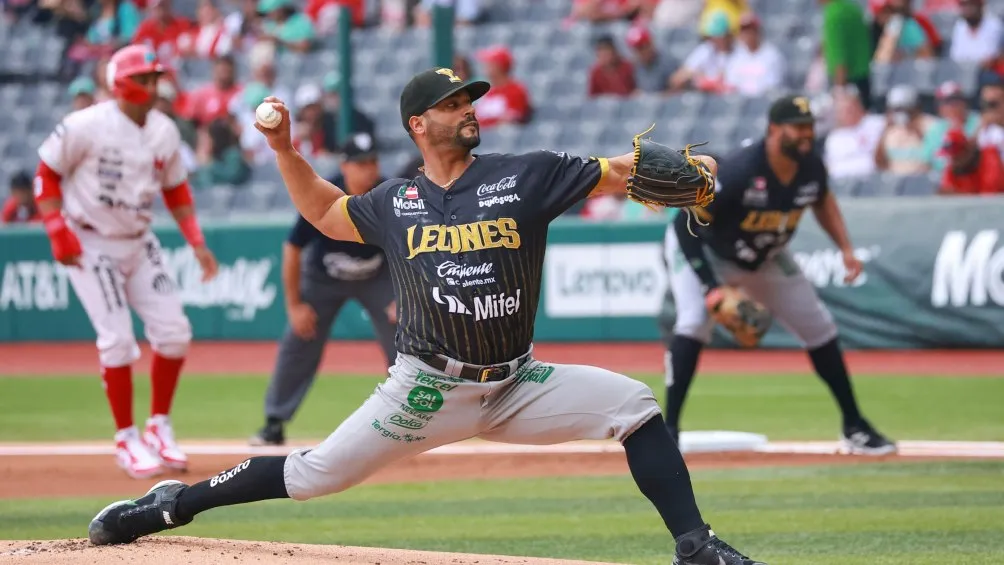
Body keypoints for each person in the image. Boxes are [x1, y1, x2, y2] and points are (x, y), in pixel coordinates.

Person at [86, 66, 766, 565]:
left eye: (470, 97)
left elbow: (618, 171)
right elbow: (324, 211)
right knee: (311, 473)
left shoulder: (525, 173)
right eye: (451, 102)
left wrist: (696, 166)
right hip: (424, 387)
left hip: (515, 382)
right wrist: (284, 149)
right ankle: (172, 502)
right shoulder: (395, 201)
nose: (467, 107)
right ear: (419, 124)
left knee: (634, 404)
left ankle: (695, 546)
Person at [660, 95, 896, 456]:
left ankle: (854, 425)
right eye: (797, 127)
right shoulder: (740, 172)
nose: (806, 134)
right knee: (693, 322)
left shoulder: (810, 167)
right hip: (706, 250)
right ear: (773, 130)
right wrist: (711, 288)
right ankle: (669, 432)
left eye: (809, 126)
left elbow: (822, 200)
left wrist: (846, 248)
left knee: (819, 327)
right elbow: (684, 221)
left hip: (766, 256)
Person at [34, 44, 219, 479]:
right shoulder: (86, 124)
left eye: (155, 78)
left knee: (174, 332)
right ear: (122, 83)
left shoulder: (164, 130)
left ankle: (158, 425)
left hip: (138, 239)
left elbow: (175, 190)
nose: (153, 86)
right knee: (117, 341)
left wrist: (196, 241)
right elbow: (47, 173)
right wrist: (56, 229)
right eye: (144, 78)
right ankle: (125, 437)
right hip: (90, 239)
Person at [250, 132, 398, 446]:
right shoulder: (325, 193)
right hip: (324, 277)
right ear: (344, 166)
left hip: (378, 275)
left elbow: (410, 247)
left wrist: (404, 298)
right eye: (360, 164)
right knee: (300, 338)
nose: (368, 169)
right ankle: (274, 422)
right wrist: (294, 306)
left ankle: (416, 418)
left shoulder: (389, 194)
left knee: (405, 333)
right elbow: (292, 248)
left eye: (372, 162)